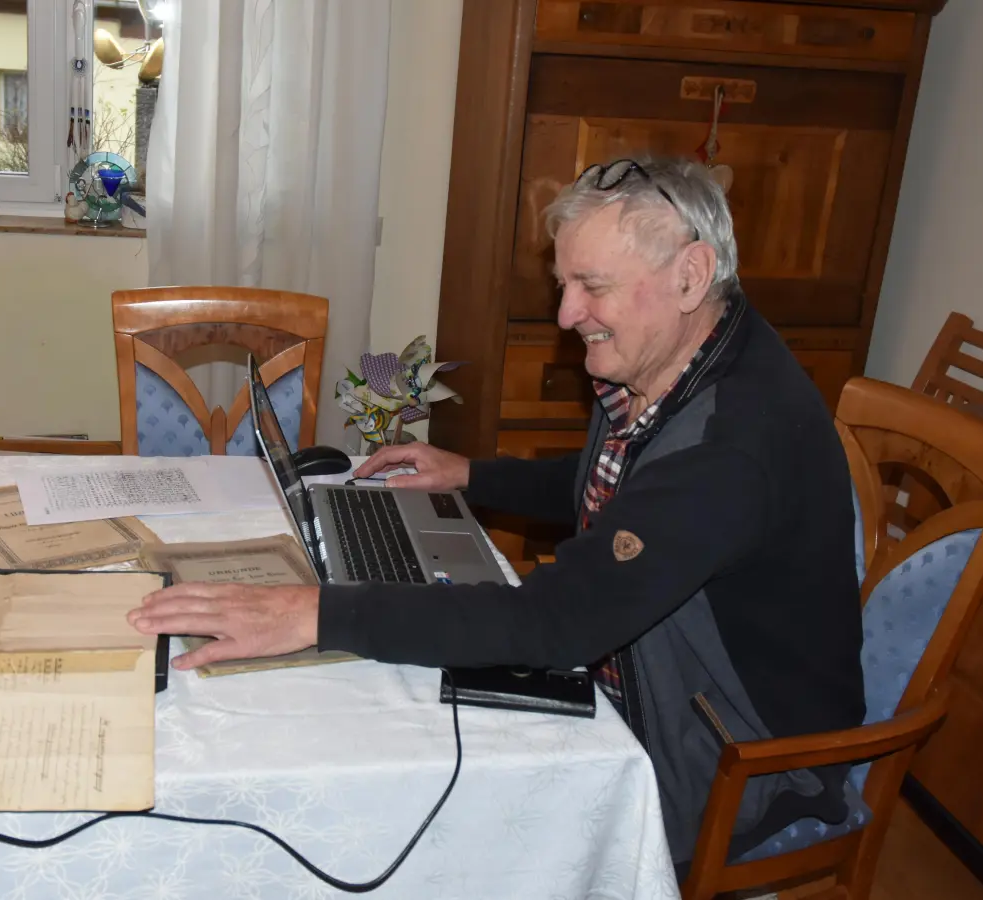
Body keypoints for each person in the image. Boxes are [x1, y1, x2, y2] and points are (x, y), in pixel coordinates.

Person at [127, 156, 865, 869]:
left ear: (690, 275)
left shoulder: (731, 445)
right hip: (660, 677)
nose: (569, 313)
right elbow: (624, 487)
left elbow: (552, 623)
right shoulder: (685, 353)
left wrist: (311, 615)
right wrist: (473, 475)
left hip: (738, 758)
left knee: (416, 789)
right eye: (564, 284)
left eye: (592, 286)